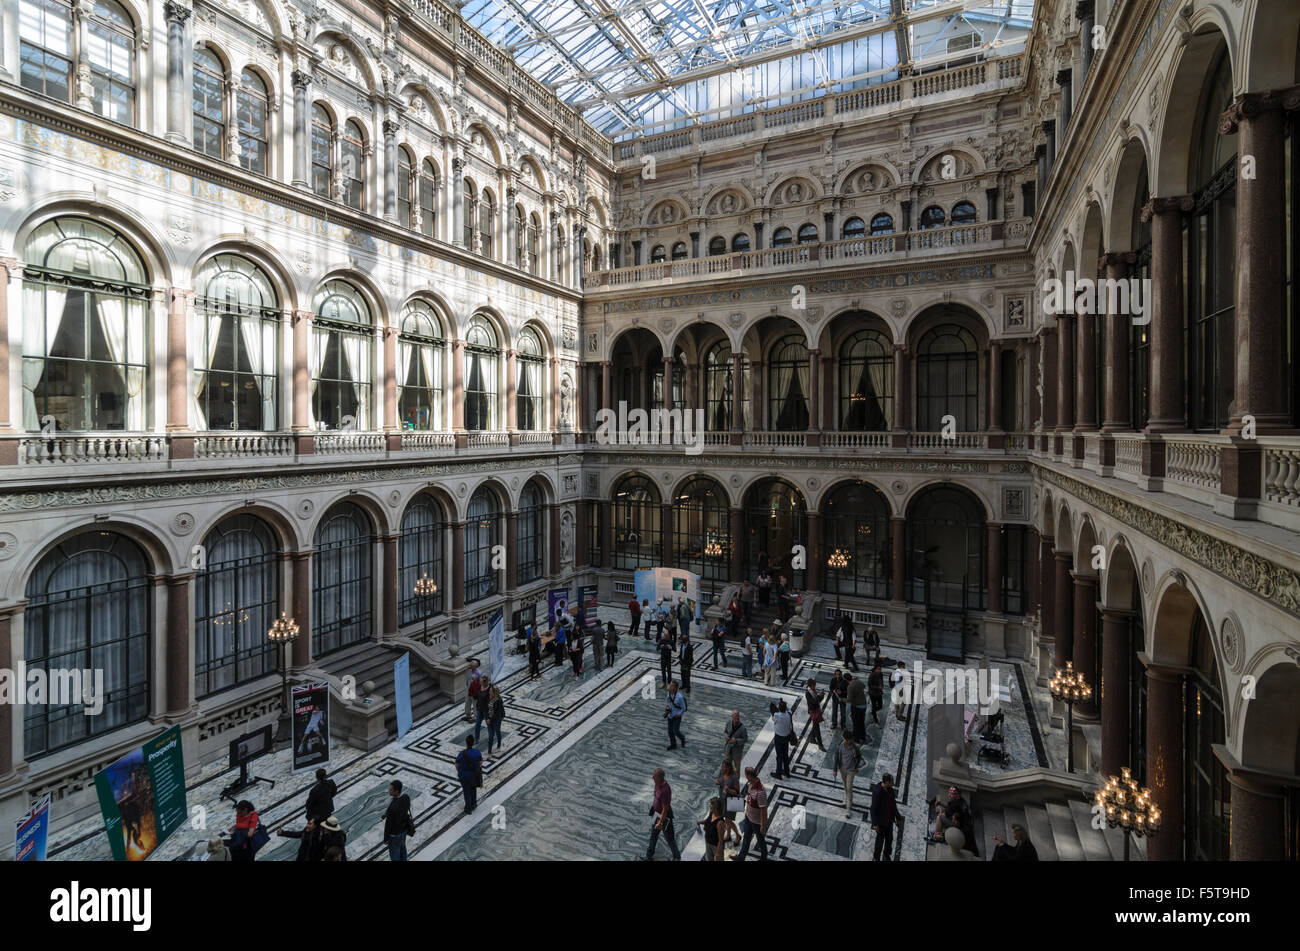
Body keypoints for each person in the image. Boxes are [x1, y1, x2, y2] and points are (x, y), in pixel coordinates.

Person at [644, 768, 680, 861]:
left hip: (664, 818)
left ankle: (677, 857)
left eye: (654, 776)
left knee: (670, 838)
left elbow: (665, 808)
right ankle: (649, 856)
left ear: (660, 778)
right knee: (653, 836)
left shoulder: (665, 790)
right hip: (656, 814)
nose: (652, 777)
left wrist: (660, 822)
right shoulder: (657, 784)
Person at [733, 767, 768, 861]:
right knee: (746, 837)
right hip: (748, 817)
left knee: (760, 840)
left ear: (749, 775)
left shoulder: (760, 792)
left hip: (756, 821)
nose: (745, 776)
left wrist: (763, 825)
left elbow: (763, 810)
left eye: (745, 774)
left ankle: (764, 857)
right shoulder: (749, 784)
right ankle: (741, 856)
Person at [870, 773, 903, 861]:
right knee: (879, 842)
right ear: (887, 782)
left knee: (889, 839)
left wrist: (898, 817)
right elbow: (873, 809)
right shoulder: (878, 792)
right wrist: (874, 824)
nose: (894, 783)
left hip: (888, 820)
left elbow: (893, 804)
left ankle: (886, 855)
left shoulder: (890, 790)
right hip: (881, 822)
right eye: (892, 781)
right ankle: (876, 858)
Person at [383, 780, 414, 861]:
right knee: (403, 849)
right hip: (403, 830)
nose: (389, 791)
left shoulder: (392, 809)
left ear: (396, 791)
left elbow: (388, 825)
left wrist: (386, 838)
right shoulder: (406, 798)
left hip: (394, 835)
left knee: (394, 854)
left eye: (391, 790)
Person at [832, 732, 863, 815]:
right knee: (846, 787)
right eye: (844, 739)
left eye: (847, 739)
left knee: (849, 788)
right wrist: (835, 769)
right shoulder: (840, 745)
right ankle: (848, 799)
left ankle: (848, 808)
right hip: (842, 769)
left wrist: (856, 767)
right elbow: (836, 757)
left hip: (851, 771)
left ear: (850, 740)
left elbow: (859, 757)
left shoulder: (854, 748)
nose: (845, 741)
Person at [697, 797, 734, 861]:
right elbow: (708, 820)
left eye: (711, 804)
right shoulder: (712, 813)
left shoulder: (720, 823)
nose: (709, 805)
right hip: (708, 843)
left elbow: (720, 840)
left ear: (715, 807)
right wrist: (700, 822)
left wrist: (717, 854)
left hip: (716, 846)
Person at [455, 735, 484, 815]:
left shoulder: (462, 753)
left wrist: (460, 772)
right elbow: (480, 763)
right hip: (473, 775)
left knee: (466, 791)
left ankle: (468, 808)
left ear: (466, 742)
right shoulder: (477, 752)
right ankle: (474, 804)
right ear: (473, 742)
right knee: (473, 789)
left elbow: (457, 764)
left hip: (464, 775)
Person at [771, 699, 794, 779]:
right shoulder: (788, 714)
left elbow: (773, 718)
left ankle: (779, 773)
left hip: (778, 738)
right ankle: (787, 772)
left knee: (779, 756)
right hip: (786, 738)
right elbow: (790, 709)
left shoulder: (777, 715)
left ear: (779, 708)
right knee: (785, 755)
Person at [723, 710, 747, 779]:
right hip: (728, 749)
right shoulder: (728, 723)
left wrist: (736, 740)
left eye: (738, 716)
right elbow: (725, 732)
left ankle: (736, 782)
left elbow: (745, 739)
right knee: (727, 766)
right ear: (732, 716)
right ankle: (727, 780)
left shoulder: (742, 728)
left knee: (737, 768)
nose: (737, 717)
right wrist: (726, 736)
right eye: (735, 716)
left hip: (737, 752)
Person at [804, 676, 826, 751]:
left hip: (816, 710)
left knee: (815, 725)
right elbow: (813, 702)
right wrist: (819, 696)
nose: (815, 686)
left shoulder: (813, 691)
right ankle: (820, 744)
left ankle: (812, 738)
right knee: (817, 728)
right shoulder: (808, 693)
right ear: (811, 685)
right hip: (813, 711)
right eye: (814, 685)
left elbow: (817, 701)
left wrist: (822, 695)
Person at [664, 680, 687, 750]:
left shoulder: (680, 697)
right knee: (670, 731)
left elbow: (684, 708)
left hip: (676, 716)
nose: (670, 687)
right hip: (670, 715)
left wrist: (679, 714)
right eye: (670, 685)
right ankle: (673, 744)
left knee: (676, 731)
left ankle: (683, 738)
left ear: (676, 688)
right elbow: (668, 702)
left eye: (672, 686)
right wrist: (667, 707)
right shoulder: (668, 694)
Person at [846, 672, 868, 743]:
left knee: (856, 722)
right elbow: (863, 686)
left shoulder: (850, 687)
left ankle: (856, 738)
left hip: (856, 706)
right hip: (864, 705)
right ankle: (863, 736)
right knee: (861, 722)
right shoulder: (857, 681)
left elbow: (849, 700)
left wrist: (841, 699)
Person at [486, 685, 505, 754]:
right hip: (489, 719)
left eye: (490, 691)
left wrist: (490, 719)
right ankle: (489, 751)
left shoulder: (498, 701)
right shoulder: (489, 698)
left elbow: (497, 713)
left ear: (494, 693)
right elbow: (487, 709)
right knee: (490, 736)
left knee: (497, 732)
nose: (489, 692)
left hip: (496, 720)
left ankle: (499, 746)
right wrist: (487, 718)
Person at [474, 675, 492, 743]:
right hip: (480, 709)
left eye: (480, 681)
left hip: (487, 711)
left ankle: (491, 738)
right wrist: (477, 706)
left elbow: (490, 701)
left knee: (489, 725)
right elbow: (478, 697)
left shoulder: (490, 689)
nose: (479, 682)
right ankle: (476, 738)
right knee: (477, 724)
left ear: (484, 682)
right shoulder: (479, 687)